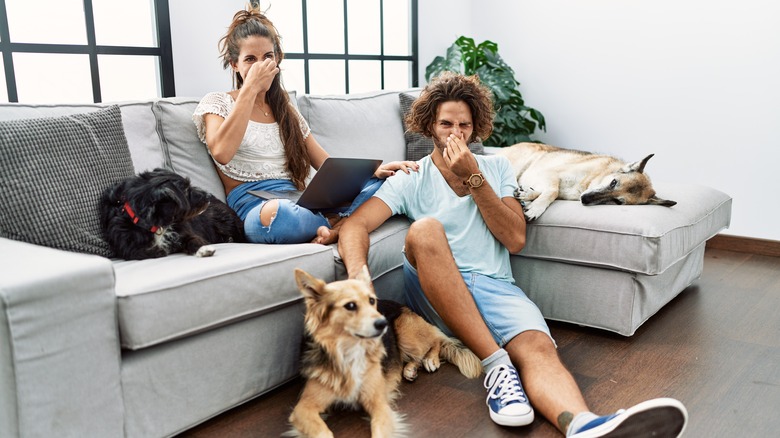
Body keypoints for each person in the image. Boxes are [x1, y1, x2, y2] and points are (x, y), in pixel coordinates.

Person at [327, 72, 688, 437]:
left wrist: (474, 179)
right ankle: (497, 364)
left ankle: (583, 425)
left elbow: (514, 238)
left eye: (464, 125)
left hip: (495, 287)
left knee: (538, 349)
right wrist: (358, 273)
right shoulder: (410, 177)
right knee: (424, 230)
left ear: (475, 127)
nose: (455, 133)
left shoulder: (496, 168)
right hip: (437, 292)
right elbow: (356, 225)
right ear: (429, 126)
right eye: (446, 124)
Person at [192, 5, 417, 244]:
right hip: (258, 207)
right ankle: (337, 223)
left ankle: (332, 223)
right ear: (234, 64)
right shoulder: (218, 102)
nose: (261, 67)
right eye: (250, 59)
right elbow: (222, 152)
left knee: (394, 181)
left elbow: (326, 164)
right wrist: (250, 89)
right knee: (279, 216)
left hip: (300, 199)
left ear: (277, 59)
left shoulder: (285, 109)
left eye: (267, 57)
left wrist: (372, 173)